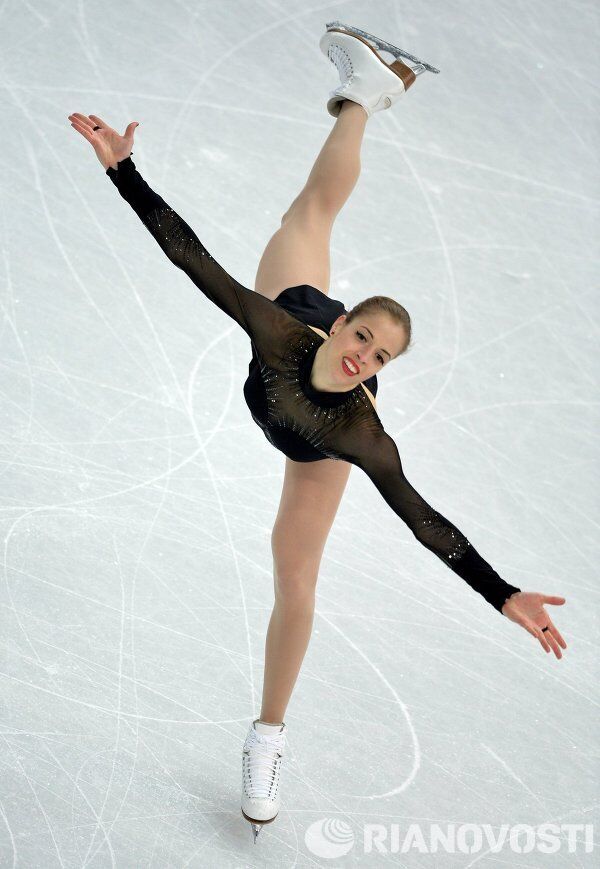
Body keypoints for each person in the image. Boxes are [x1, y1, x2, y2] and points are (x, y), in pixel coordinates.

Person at [67, 19, 567, 844]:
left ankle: (267, 736)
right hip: (287, 326)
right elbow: (190, 257)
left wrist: (501, 591)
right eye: (361, 336)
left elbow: (426, 522)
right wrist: (126, 171)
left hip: (307, 439)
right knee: (313, 208)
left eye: (379, 358)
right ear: (339, 327)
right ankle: (368, 95)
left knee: (293, 578)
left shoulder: (359, 434)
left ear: (378, 373)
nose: (364, 354)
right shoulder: (281, 327)